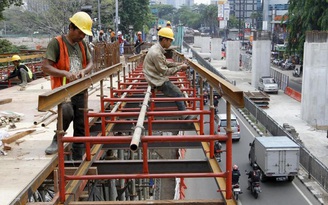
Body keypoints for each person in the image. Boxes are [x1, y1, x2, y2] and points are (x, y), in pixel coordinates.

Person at [41, 11, 94, 160]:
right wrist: (64, 73)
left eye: (84, 33)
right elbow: (45, 66)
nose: (83, 36)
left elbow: (90, 62)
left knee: (81, 122)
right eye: (80, 32)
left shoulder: (82, 44)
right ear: (72, 27)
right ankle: (57, 140)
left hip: (80, 89)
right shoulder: (57, 43)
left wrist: (84, 70)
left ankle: (78, 156)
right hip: (63, 90)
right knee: (67, 112)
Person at [143, 27, 195, 120]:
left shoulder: (157, 49)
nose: (170, 43)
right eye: (170, 41)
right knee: (179, 94)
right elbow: (165, 71)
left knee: (178, 94)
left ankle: (183, 113)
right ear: (164, 40)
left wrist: (179, 64)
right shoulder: (156, 53)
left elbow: (166, 63)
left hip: (156, 76)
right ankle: (185, 116)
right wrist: (180, 67)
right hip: (156, 80)